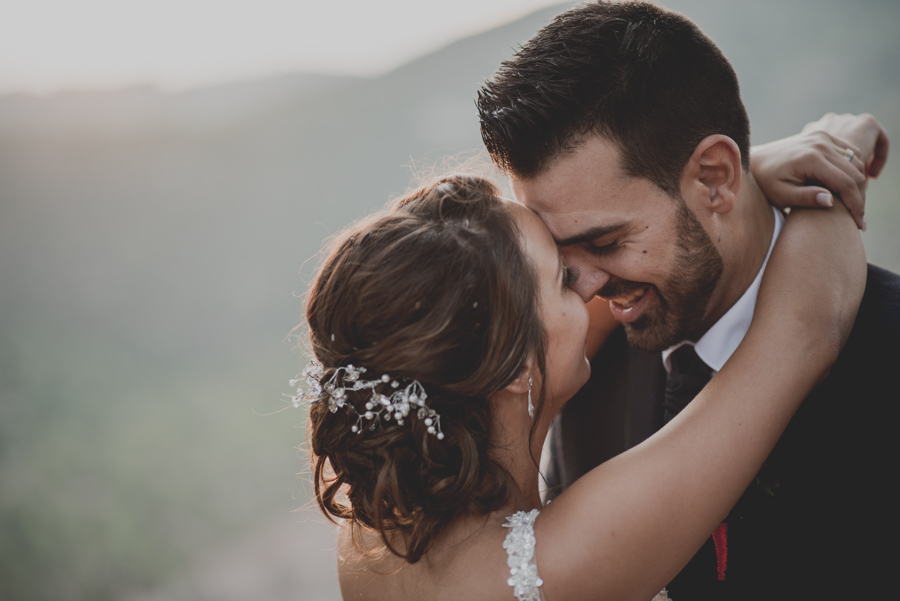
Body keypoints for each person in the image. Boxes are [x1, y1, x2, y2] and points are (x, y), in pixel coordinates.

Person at [476, 2, 898, 599]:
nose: (586, 288)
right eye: (561, 254)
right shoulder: (580, 371)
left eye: (606, 241)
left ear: (716, 178)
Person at [295, 168, 865, 600]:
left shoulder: (375, 538)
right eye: (564, 279)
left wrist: (722, 183)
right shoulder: (556, 563)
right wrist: (833, 175)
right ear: (515, 363)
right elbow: (806, 328)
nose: (592, 286)